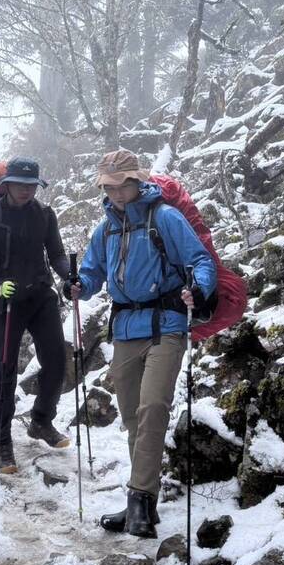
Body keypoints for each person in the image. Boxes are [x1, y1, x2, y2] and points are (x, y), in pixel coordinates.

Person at [67, 149, 217, 538]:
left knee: (153, 407)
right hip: (125, 328)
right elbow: (93, 273)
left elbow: (200, 260)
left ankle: (139, 501)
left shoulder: (164, 218)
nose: (116, 193)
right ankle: (144, 504)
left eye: (122, 185)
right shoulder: (106, 230)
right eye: (109, 187)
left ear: (137, 181)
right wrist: (80, 286)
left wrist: (198, 290)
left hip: (166, 324)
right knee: (132, 416)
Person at [0, 156, 71, 474]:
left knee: (56, 360)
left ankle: (41, 420)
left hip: (40, 295)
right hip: (6, 302)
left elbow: (55, 253)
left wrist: (70, 276)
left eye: (32, 185)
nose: (26, 190)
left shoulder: (44, 214)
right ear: (7, 184)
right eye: (20, 184)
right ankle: (2, 442)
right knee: (5, 369)